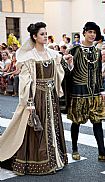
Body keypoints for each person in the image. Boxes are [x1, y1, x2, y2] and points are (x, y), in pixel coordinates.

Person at [0, 22, 68, 175]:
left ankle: (55, 159)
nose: (45, 36)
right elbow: (26, 82)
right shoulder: (29, 57)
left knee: (52, 127)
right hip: (37, 97)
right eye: (42, 34)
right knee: (38, 129)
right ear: (34, 37)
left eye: (46, 33)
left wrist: (67, 61)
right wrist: (29, 102)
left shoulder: (53, 54)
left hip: (51, 96)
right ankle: (41, 162)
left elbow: (60, 71)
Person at [64, 22, 105, 162]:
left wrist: (102, 91)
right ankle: (75, 149)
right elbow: (65, 71)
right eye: (90, 32)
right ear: (84, 32)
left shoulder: (97, 52)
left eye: (94, 33)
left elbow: (98, 73)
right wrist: (69, 65)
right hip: (78, 91)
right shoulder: (74, 50)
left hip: (94, 92)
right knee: (76, 121)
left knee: (98, 122)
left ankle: (102, 152)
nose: (92, 35)